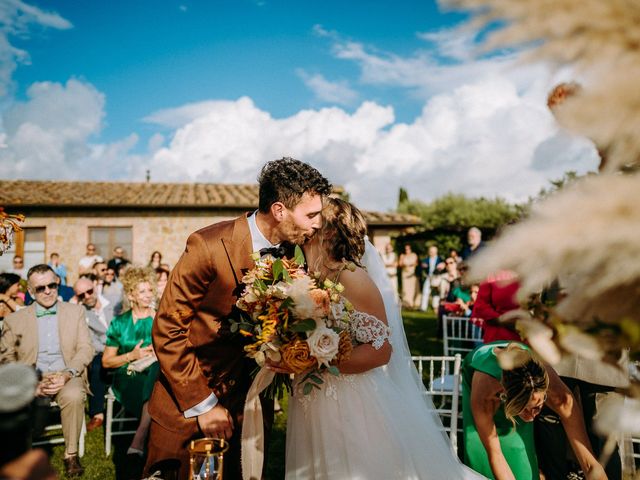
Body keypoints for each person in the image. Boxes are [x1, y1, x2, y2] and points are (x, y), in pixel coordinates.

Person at [144, 157, 332, 479]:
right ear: (279, 211)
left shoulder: (293, 254)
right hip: (191, 403)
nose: (318, 224)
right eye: (311, 215)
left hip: (252, 407)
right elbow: (168, 329)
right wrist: (203, 404)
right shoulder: (207, 245)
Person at [286, 198, 485, 480]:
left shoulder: (352, 278)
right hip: (311, 396)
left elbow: (381, 350)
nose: (306, 223)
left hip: (350, 402)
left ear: (328, 231)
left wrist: (316, 360)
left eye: (313, 217)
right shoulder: (305, 275)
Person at [462, 341, 607, 480]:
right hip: (484, 388)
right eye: (525, 409)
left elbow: (590, 463)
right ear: (508, 398)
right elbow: (495, 454)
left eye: (538, 407)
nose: (532, 417)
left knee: (523, 467)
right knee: (481, 463)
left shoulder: (560, 397)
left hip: (518, 389)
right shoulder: (485, 392)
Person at [0, 264, 94, 477]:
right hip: (32, 376)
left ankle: (71, 454)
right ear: (31, 292)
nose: (48, 291)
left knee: (74, 395)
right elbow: (6, 359)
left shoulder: (76, 312)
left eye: (52, 285)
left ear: (57, 283)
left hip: (68, 373)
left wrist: (68, 373)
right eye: (41, 288)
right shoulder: (14, 320)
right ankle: (21, 454)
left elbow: (85, 348)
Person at [102, 267, 158, 475]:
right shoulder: (119, 323)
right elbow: (107, 362)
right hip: (127, 375)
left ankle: (139, 439)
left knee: (156, 372)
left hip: (155, 371)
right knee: (154, 386)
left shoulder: (159, 319)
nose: (147, 295)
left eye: (150, 291)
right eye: (142, 291)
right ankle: (145, 439)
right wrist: (131, 356)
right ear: (131, 295)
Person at [73, 276, 114, 433]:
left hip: (126, 345)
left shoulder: (114, 302)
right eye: (81, 295)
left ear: (95, 287)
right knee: (96, 366)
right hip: (102, 350)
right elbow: (90, 340)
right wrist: (109, 350)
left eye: (89, 291)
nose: (87, 297)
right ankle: (97, 413)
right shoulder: (81, 313)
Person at [471, 271, 522, 344]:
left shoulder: (533, 273)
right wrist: (505, 321)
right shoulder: (491, 275)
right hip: (498, 339)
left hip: (530, 338)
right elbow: (481, 307)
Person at [419, 245, 445, 312]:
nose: (431, 253)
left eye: (432, 251)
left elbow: (443, 267)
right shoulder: (426, 259)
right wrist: (423, 265)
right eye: (430, 251)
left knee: (436, 292)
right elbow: (422, 266)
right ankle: (423, 308)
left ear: (436, 252)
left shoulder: (440, 259)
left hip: (437, 278)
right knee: (425, 291)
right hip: (429, 277)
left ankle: (435, 306)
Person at [398, 244, 419, 309]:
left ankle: (413, 303)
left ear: (410, 249)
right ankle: (406, 304)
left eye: (408, 249)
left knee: (412, 288)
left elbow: (416, 263)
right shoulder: (402, 256)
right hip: (405, 273)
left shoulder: (414, 255)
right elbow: (400, 264)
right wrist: (404, 264)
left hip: (412, 273)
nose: (407, 250)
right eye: (405, 249)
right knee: (405, 289)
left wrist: (409, 264)